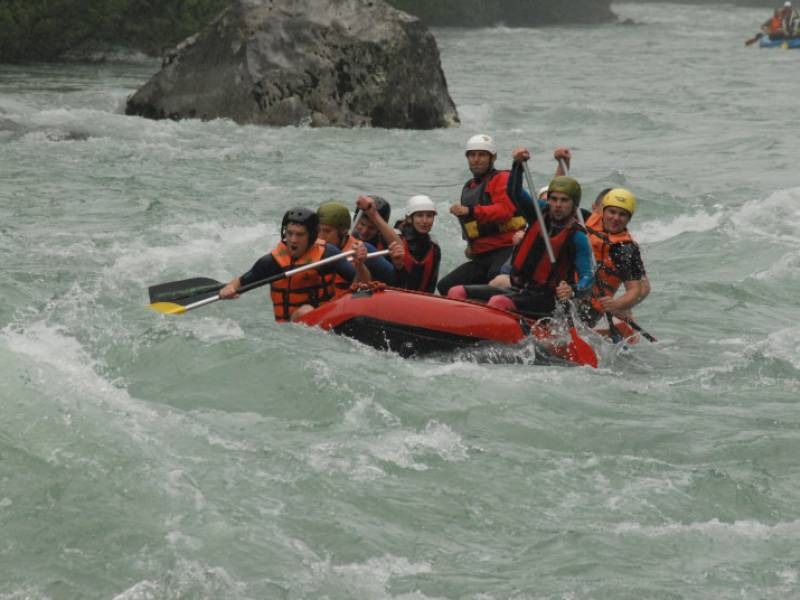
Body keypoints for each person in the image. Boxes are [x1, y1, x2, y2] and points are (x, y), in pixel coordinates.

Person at [447, 148, 593, 319]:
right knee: (456, 291)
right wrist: (517, 165)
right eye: (553, 199)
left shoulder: (577, 236)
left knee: (498, 302)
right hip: (519, 287)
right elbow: (514, 192)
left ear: (574, 204)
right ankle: (457, 332)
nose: (558, 205)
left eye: (564, 200)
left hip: (547, 299)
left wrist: (573, 290)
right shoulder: (537, 213)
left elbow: (587, 277)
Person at [218, 207, 369, 321]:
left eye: (299, 234)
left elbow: (363, 285)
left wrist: (360, 265)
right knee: (304, 312)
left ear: (311, 236)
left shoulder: (328, 254)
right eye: (289, 233)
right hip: (289, 333)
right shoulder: (272, 262)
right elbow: (239, 283)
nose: (293, 240)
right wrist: (230, 289)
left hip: (325, 322)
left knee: (306, 311)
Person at [436, 134, 526, 295]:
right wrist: (471, 246)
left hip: (507, 249)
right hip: (482, 255)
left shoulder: (502, 178)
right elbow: (471, 226)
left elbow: (505, 211)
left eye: (482, 155)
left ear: (493, 157)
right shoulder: (469, 187)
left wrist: (470, 211)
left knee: (495, 276)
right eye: (472, 155)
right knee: (445, 286)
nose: (476, 159)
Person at [577, 189, 651, 327]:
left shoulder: (625, 249)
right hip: (568, 290)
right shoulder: (586, 220)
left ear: (629, 219)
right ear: (601, 211)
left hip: (590, 307)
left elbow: (640, 289)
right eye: (612, 212)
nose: (616, 218)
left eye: (622, 215)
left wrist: (618, 305)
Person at [316, 201, 401, 292]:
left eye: (327, 231)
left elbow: (396, 282)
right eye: (317, 230)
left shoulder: (365, 249)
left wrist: (398, 264)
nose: (320, 237)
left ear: (343, 231)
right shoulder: (309, 246)